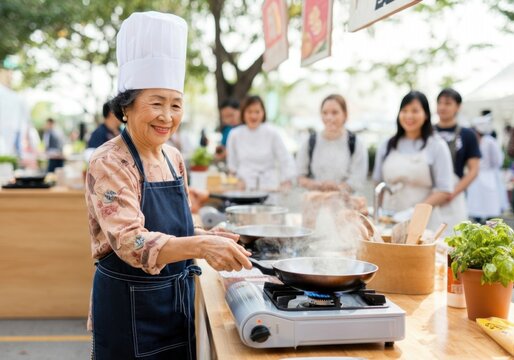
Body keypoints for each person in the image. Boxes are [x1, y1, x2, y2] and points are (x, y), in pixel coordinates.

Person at [84, 12, 251, 359]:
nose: (167, 116)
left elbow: (177, 227)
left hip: (175, 302)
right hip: (127, 306)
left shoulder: (173, 158)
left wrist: (209, 234)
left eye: (176, 105)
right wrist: (201, 246)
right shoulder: (109, 161)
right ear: (126, 108)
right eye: (156, 103)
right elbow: (131, 242)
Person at [373, 90, 454, 230]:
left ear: (426, 114)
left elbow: (444, 190)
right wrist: (377, 214)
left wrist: (414, 212)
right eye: (404, 110)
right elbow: (378, 182)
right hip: (389, 221)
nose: (409, 115)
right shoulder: (387, 145)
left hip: (423, 224)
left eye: (415, 111)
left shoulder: (436, 145)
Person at [296, 94, 368, 192]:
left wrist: (338, 188)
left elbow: (358, 179)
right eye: (324, 113)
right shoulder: (310, 141)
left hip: (345, 204)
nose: (329, 117)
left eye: (335, 113)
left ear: (345, 115)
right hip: (316, 204)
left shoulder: (355, 143)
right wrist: (317, 185)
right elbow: (299, 176)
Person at [226, 95, 296, 191]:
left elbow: (285, 159)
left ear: (263, 113)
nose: (253, 116)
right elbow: (232, 167)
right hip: (244, 188)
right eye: (249, 112)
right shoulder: (234, 134)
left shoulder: (272, 132)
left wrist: (286, 182)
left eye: (257, 112)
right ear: (243, 113)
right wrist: (235, 182)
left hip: (269, 188)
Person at [435, 88, 481, 225]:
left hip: (455, 193)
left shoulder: (468, 135)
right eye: (440, 103)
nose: (442, 107)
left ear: (458, 107)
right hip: (430, 192)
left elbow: (474, 170)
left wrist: (452, 193)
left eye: (448, 103)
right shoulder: (428, 133)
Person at [468, 115, 509, 222]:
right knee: (477, 204)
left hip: (488, 175)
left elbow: (497, 160)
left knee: (489, 204)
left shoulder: (489, 141)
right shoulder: (475, 141)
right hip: (477, 175)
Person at [215, 98, 241, 163]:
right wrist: (221, 150)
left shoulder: (248, 129)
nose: (228, 120)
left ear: (240, 111)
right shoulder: (227, 130)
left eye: (231, 115)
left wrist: (228, 152)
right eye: (225, 117)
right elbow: (223, 147)